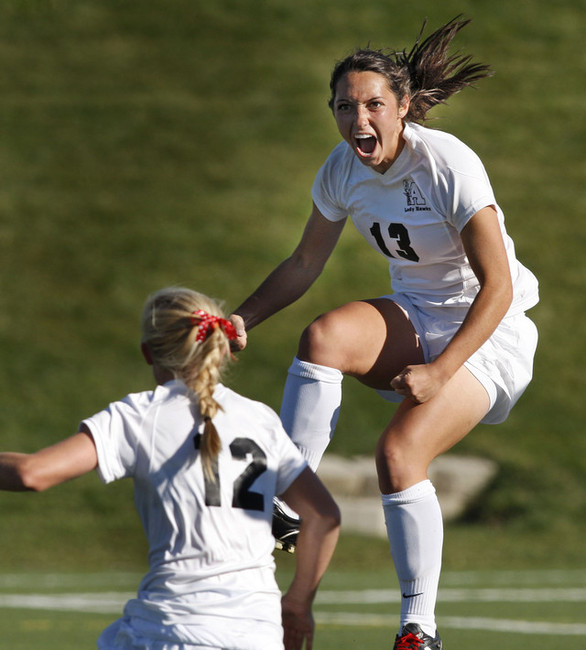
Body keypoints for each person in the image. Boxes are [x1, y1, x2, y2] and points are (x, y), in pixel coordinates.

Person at [230, 16, 539, 650]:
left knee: (399, 457)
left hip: (489, 332)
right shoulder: (342, 170)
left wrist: (440, 371)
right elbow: (303, 264)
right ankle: (291, 498)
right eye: (346, 107)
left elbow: (498, 286)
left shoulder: (446, 161)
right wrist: (241, 319)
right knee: (323, 339)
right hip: (418, 316)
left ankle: (417, 629)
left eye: (374, 104)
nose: (359, 120)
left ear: (402, 108)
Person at [0, 287, 340, 650]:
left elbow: (31, 474)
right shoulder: (260, 419)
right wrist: (298, 601)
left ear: (149, 353)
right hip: (259, 634)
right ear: (223, 347)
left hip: (171, 631)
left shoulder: (141, 415)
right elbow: (322, 514)